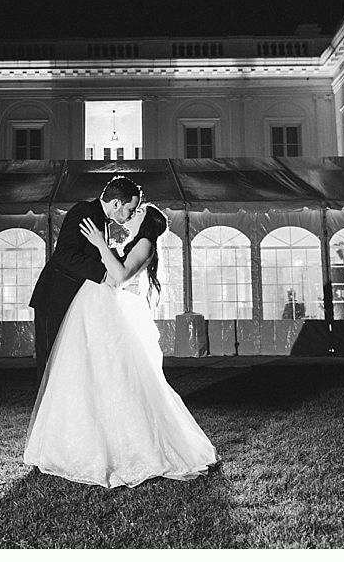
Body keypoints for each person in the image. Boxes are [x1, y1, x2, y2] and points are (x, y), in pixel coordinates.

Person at [23, 203, 218, 488]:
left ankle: (129, 447)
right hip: (97, 306)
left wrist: (101, 244)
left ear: (146, 222)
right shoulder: (135, 242)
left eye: (137, 213)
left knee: (118, 378)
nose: (132, 214)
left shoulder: (145, 244)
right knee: (97, 375)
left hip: (108, 308)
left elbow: (120, 275)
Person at [28, 175, 142, 384]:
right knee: (51, 359)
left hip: (74, 302)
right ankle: (47, 413)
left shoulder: (101, 220)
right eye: (130, 209)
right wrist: (104, 275)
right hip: (55, 297)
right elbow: (64, 255)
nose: (132, 215)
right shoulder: (85, 211)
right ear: (116, 203)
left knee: (68, 360)